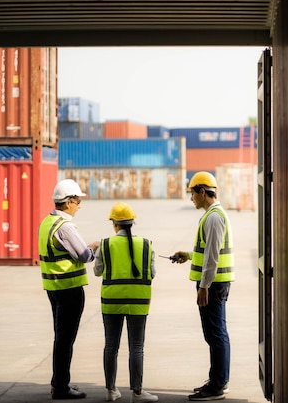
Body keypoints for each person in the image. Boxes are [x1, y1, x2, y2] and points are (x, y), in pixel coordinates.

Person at [170, 171, 235, 401]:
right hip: (213, 283)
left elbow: (213, 257)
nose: (191, 199)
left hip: (213, 285)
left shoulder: (214, 217)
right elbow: (206, 251)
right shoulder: (211, 215)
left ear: (202, 192)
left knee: (216, 333)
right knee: (215, 332)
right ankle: (218, 379)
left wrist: (204, 286)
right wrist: (187, 255)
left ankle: (217, 385)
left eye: (193, 194)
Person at [38, 179, 99, 400]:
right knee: (65, 339)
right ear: (69, 202)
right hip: (69, 289)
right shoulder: (65, 227)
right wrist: (92, 247)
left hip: (53, 287)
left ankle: (59, 381)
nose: (79, 205)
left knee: (60, 337)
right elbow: (83, 256)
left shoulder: (47, 223)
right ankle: (61, 386)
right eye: (77, 201)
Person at [93, 202, 159, 403]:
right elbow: (153, 273)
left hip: (111, 302)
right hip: (138, 302)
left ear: (114, 224)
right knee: (136, 347)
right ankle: (137, 392)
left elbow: (97, 271)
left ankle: (111, 390)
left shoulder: (105, 244)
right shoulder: (147, 245)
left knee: (111, 347)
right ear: (133, 223)